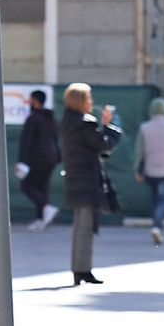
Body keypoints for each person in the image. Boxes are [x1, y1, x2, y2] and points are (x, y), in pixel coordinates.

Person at [60, 84, 122, 286]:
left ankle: (81, 269)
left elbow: (94, 146)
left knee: (81, 226)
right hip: (86, 180)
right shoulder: (84, 123)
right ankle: (82, 270)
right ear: (81, 101)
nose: (91, 102)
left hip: (76, 179)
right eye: (88, 98)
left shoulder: (70, 121)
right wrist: (108, 125)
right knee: (85, 228)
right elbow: (103, 144)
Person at [134, 97, 164, 246]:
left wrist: (137, 170)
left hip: (150, 170)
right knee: (163, 200)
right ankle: (157, 227)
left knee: (155, 199)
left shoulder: (144, 127)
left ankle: (157, 226)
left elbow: (139, 151)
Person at [17, 89, 61, 232]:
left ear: (35, 101)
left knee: (27, 186)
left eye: (31, 100)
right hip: (51, 157)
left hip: (38, 157)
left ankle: (46, 208)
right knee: (42, 187)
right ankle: (41, 219)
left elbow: (26, 142)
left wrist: (22, 161)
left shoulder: (33, 119)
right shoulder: (50, 118)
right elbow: (56, 138)